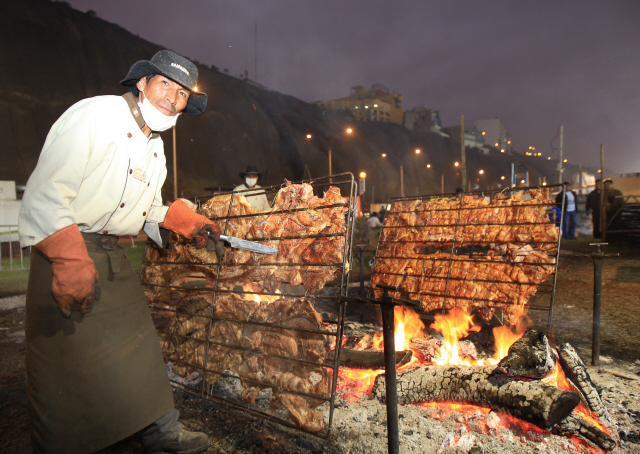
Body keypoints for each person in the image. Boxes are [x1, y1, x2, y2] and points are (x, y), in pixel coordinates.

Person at [18, 50, 219, 454]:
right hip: (67, 250)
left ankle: (161, 433)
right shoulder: (97, 116)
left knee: (139, 349)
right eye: (165, 84)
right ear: (142, 83)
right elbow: (46, 192)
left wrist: (177, 218)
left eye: (182, 94)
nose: (172, 98)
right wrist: (67, 257)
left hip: (109, 252)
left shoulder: (156, 148)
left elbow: (140, 207)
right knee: (65, 365)